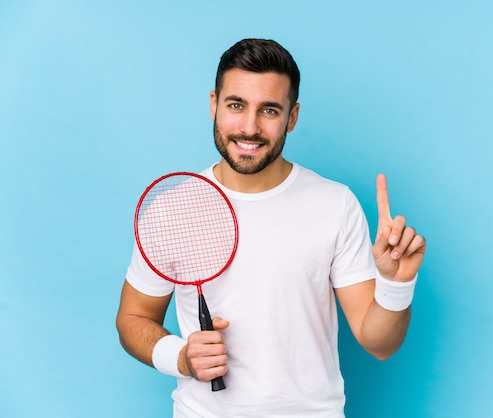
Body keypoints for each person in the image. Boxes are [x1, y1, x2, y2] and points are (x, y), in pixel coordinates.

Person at [116, 38, 426, 417]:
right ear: (214, 104)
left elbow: (380, 344)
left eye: (269, 110)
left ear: (292, 118)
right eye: (236, 105)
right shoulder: (172, 208)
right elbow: (133, 319)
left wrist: (397, 284)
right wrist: (180, 358)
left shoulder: (335, 204)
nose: (249, 127)